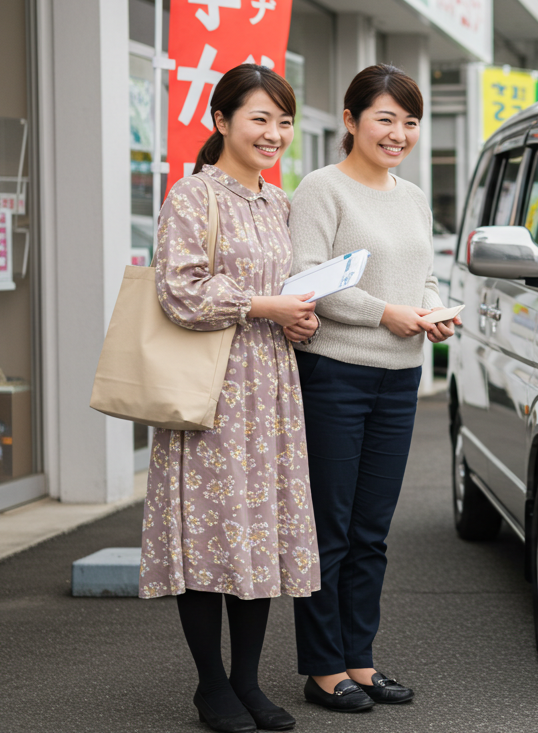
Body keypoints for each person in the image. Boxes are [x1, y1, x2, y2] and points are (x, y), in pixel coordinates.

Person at [138, 64, 322, 733]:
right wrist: (264, 305)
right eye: (260, 119)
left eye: (283, 120)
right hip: (210, 389)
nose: (275, 133)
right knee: (207, 535)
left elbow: (291, 294)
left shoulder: (279, 202)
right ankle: (210, 684)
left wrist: (297, 316)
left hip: (269, 387)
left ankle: (246, 681)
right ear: (221, 123)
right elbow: (177, 292)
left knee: (257, 534)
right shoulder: (193, 196)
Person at [288, 64, 460, 712]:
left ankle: (360, 661)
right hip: (334, 374)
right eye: (386, 118)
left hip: (400, 379)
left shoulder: (412, 196)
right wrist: (384, 314)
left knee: (372, 531)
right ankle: (322, 667)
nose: (399, 133)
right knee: (329, 529)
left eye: (410, 122)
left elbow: (425, 277)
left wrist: (431, 311)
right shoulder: (320, 190)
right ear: (351, 119)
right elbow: (307, 280)